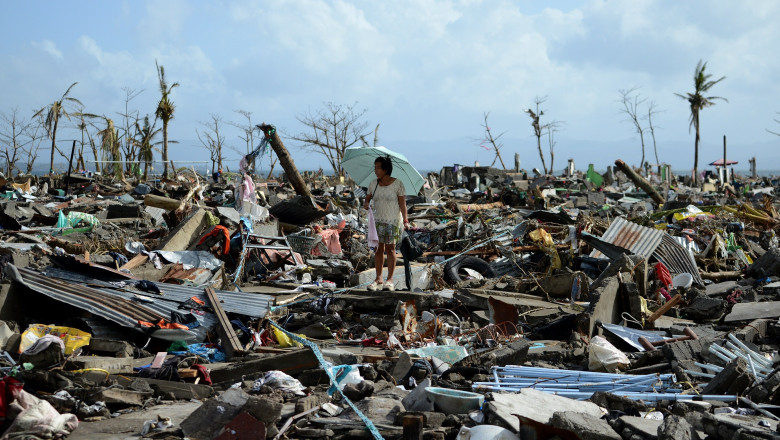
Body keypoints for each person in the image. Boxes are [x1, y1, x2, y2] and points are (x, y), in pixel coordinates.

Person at [364, 156, 409, 291]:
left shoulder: (398, 184)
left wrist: (406, 220)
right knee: (378, 249)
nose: (376, 170)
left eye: (378, 167)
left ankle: (389, 280)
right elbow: (367, 199)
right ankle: (378, 278)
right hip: (377, 221)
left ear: (386, 169)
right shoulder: (373, 184)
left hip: (392, 221)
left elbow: (402, 204)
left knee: (390, 249)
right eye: (375, 167)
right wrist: (366, 204)